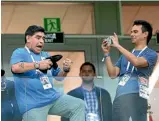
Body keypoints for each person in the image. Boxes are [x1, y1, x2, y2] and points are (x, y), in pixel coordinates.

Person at [10, 25, 85, 121]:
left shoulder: (46, 55)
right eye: (38, 37)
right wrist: (38, 65)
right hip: (33, 105)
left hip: (53, 98)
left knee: (79, 105)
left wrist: (65, 70)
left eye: (43, 38)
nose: (41, 41)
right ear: (28, 38)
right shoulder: (19, 52)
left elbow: (59, 77)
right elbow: (15, 68)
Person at [101, 20, 158, 121]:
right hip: (120, 97)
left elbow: (136, 62)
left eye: (135, 32)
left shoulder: (151, 54)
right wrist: (107, 54)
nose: (131, 34)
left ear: (145, 34)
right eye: (131, 32)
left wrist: (118, 45)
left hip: (138, 96)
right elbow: (112, 74)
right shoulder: (125, 56)